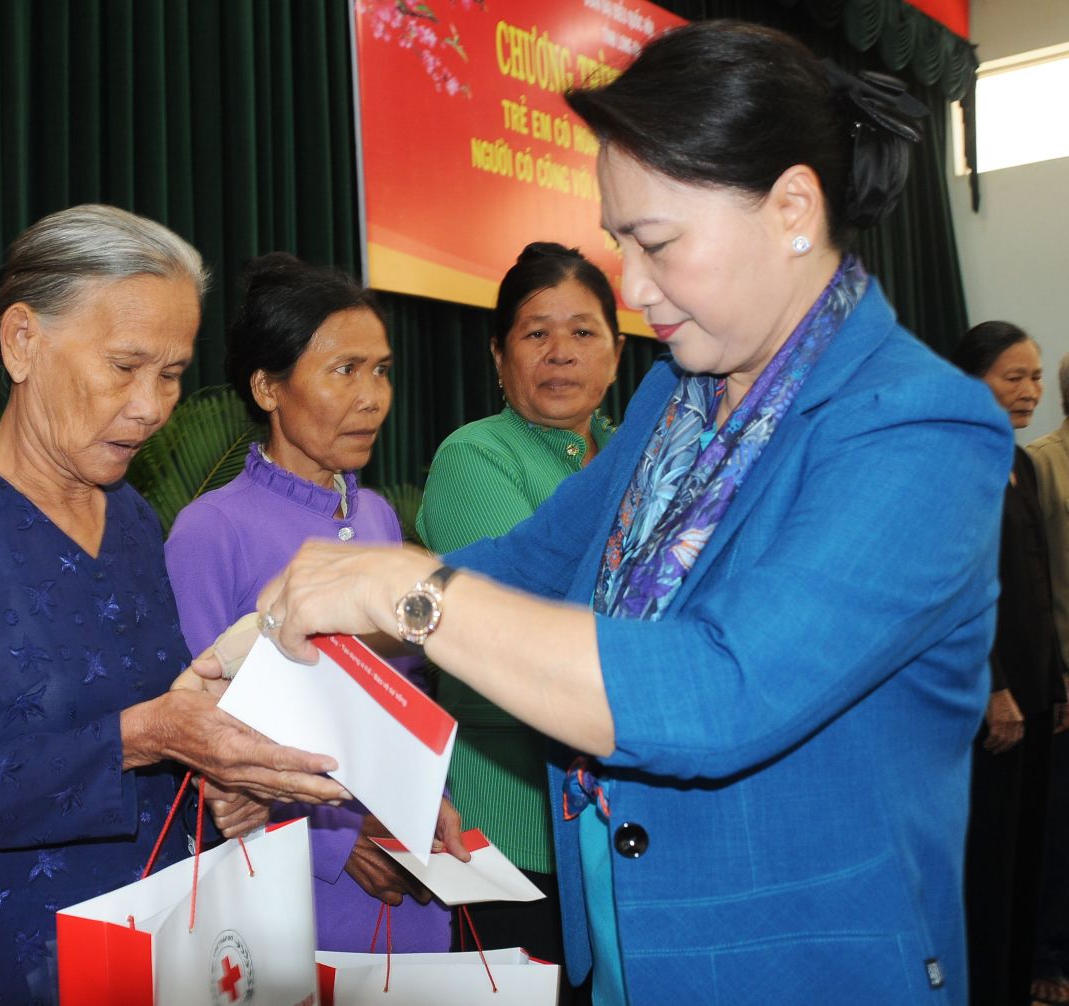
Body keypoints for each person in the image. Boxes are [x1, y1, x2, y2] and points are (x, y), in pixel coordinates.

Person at [234, 21, 1015, 1004]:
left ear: (791, 210)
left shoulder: (919, 429)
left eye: (655, 244)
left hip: (797, 968)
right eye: (619, 243)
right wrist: (257, 643)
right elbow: (527, 558)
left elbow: (725, 687)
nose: (634, 291)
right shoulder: (671, 401)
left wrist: (408, 591)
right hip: (626, 952)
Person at [0, 208, 348, 1004]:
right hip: (8, 960)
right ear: (23, 342)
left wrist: (219, 781)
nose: (153, 406)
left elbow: (146, 728)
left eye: (173, 374)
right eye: (125, 366)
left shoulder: (133, 521)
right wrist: (141, 736)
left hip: (160, 951)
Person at [165, 253, 461, 954]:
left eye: (381, 369)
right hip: (299, 895)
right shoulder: (211, 530)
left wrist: (422, 802)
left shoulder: (383, 519)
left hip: (408, 865)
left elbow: (395, 701)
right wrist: (336, 840)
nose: (372, 396)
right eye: (344, 370)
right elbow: (208, 733)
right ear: (268, 387)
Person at [415, 241, 622, 966]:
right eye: (536, 333)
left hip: (622, 818)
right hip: (513, 821)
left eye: (583, 331)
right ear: (499, 358)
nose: (560, 352)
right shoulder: (477, 455)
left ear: (617, 353)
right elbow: (522, 624)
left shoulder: (640, 456)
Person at [953, 321, 1067, 1006]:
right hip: (986, 700)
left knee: (1032, 852)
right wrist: (993, 689)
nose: (1028, 393)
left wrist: (1054, 682)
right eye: (1012, 377)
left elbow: (1037, 579)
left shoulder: (1018, 462)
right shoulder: (953, 459)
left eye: (1035, 379)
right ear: (972, 379)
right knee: (987, 859)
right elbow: (959, 587)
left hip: (1034, 693)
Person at [1026, 352, 1069, 1006]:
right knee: (1056, 835)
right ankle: (1047, 960)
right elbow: (1034, 582)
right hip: (1062, 685)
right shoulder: (1040, 463)